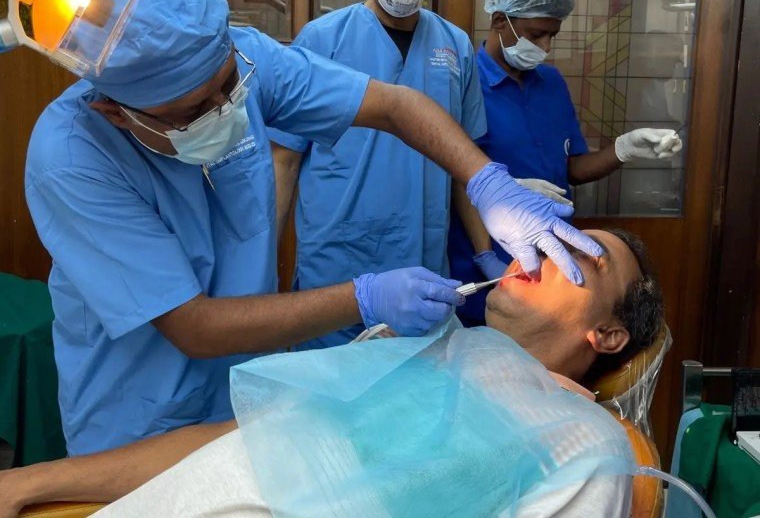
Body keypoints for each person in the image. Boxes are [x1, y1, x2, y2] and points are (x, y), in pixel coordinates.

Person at [24, 0, 602, 456]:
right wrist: (364, 296)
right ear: (115, 111)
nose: (228, 106)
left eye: (229, 82)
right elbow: (194, 326)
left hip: (247, 387)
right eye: (197, 108)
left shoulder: (246, 57)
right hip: (138, 410)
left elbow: (396, 105)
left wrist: (487, 183)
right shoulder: (73, 158)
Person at [0, 229, 663, 517]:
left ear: (607, 335)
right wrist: (33, 480)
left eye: (583, 255)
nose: (546, 248)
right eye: (551, 237)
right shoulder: (412, 350)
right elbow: (240, 439)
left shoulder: (584, 445)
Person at [268, 0, 487, 350]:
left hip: (422, 261)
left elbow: (463, 163)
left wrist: (485, 250)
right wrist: (264, 266)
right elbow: (285, 160)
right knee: (330, 383)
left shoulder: (455, 45)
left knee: (413, 382)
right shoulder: (323, 40)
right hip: (336, 262)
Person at [449, 0, 683, 326]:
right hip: (488, 259)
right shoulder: (464, 84)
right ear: (499, 21)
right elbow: (451, 174)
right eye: (536, 34)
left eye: (552, 35)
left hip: (554, 257)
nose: (545, 46)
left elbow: (572, 169)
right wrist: (488, 242)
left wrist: (624, 149)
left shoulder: (551, 83)